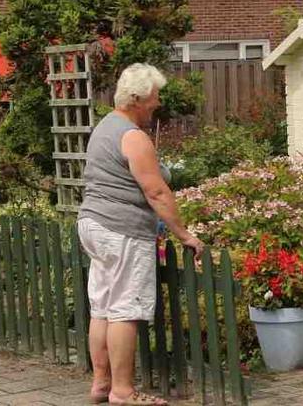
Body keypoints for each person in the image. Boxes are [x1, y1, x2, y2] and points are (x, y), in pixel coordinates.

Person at [77, 63, 204, 405]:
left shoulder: (104, 127)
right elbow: (157, 192)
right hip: (122, 230)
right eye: (154, 97)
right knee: (125, 309)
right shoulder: (132, 136)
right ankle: (122, 391)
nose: (157, 104)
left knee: (102, 307)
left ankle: (101, 384)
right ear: (137, 98)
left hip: (93, 224)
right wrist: (184, 235)